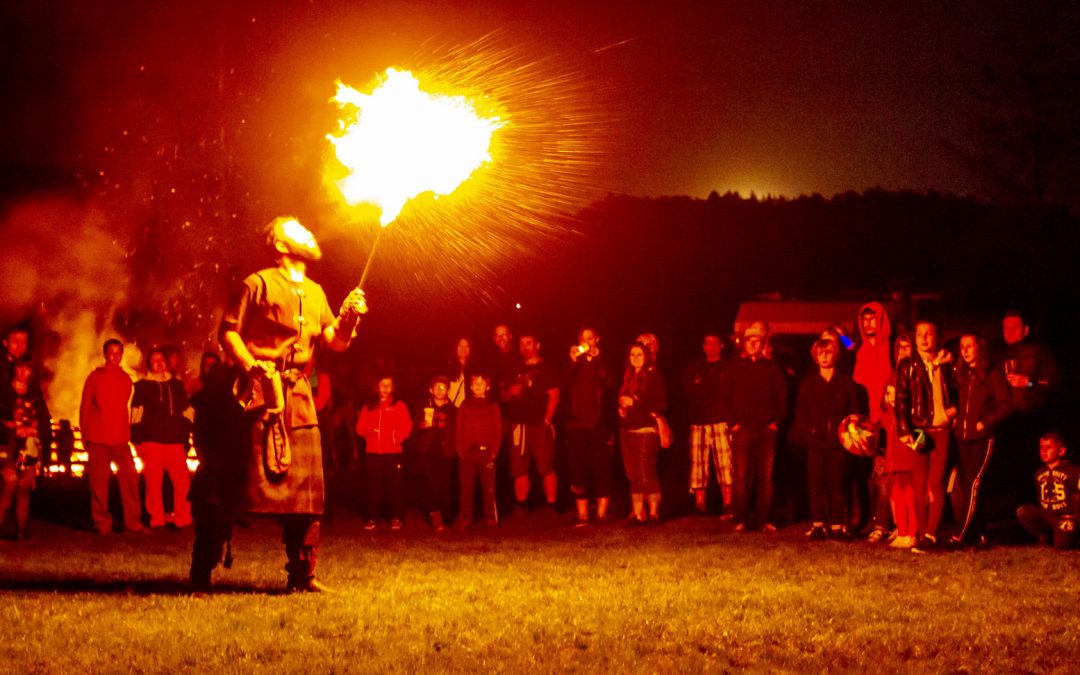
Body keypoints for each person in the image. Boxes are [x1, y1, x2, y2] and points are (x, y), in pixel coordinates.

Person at [217, 216, 366, 593]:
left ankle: (303, 575)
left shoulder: (316, 292)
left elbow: (336, 341)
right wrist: (252, 368)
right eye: (296, 229)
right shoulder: (259, 284)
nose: (309, 232)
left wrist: (348, 318)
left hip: (299, 398)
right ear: (281, 246)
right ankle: (203, 566)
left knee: (309, 493)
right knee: (231, 488)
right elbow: (229, 331)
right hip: (257, 396)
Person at [792, 338, 862, 540]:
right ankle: (818, 524)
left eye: (828, 352)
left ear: (835, 355)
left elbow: (853, 413)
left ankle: (838, 525)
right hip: (815, 443)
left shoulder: (845, 383)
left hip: (838, 444)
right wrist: (810, 433)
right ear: (815, 357)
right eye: (820, 353)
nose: (824, 356)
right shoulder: (808, 384)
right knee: (816, 484)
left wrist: (848, 436)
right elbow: (801, 414)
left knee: (837, 483)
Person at [896, 320, 955, 550]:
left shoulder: (947, 363)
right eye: (919, 334)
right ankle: (920, 532)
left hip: (941, 429)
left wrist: (952, 412)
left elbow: (958, 390)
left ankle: (931, 533)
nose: (923, 338)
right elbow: (901, 400)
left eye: (928, 333)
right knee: (919, 483)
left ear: (936, 337)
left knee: (936, 481)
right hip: (920, 429)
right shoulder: (908, 365)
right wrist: (904, 430)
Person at [188, 351, 243, 593]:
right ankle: (200, 576)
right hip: (216, 474)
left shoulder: (211, 402)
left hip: (218, 471)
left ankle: (202, 573)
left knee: (214, 526)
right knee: (212, 525)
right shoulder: (219, 402)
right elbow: (203, 438)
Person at [725, 321, 788, 532]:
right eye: (749, 341)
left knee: (766, 478)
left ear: (763, 344)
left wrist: (776, 422)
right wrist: (733, 423)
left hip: (766, 431)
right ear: (744, 343)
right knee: (741, 477)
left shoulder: (772, 368)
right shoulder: (735, 367)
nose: (753, 344)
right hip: (742, 430)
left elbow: (782, 396)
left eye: (757, 341)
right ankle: (741, 518)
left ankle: (764, 519)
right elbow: (726, 396)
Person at [949, 332, 1011, 546]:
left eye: (969, 346)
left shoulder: (992, 374)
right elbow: (959, 401)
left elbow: (1005, 405)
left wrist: (985, 422)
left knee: (973, 483)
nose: (965, 350)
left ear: (979, 348)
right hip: (962, 438)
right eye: (962, 346)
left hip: (982, 437)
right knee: (970, 487)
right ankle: (980, 534)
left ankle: (960, 535)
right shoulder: (962, 374)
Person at [80, 339, 144, 535]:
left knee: (130, 479)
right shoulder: (94, 377)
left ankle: (133, 522)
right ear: (105, 354)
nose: (115, 356)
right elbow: (85, 407)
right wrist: (85, 435)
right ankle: (102, 524)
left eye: (118, 352)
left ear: (122, 355)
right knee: (99, 484)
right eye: (111, 352)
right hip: (98, 438)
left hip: (120, 439)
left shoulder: (126, 380)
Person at [131, 348, 193, 529]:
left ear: (166, 363)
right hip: (152, 442)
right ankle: (156, 518)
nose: (159, 363)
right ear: (149, 365)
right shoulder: (142, 386)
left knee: (182, 482)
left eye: (161, 360)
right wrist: (137, 440)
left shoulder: (177, 385)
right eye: (155, 361)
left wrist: (185, 435)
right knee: (153, 483)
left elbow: (187, 412)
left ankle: (182, 517)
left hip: (174, 441)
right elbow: (136, 413)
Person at [502, 331, 560, 515]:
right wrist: (511, 392)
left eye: (529, 343)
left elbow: (554, 396)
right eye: (522, 343)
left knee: (546, 467)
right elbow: (503, 396)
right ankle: (521, 505)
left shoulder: (547, 368)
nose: (525, 347)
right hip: (519, 426)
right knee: (519, 469)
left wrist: (546, 421)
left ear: (537, 345)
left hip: (539, 425)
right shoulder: (514, 368)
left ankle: (551, 506)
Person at [564, 326, 614, 526]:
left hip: (598, 424)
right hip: (576, 425)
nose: (587, 342)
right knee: (579, 470)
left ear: (597, 339)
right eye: (584, 338)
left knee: (601, 469)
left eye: (591, 338)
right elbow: (563, 383)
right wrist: (573, 361)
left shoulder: (603, 360)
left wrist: (599, 360)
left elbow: (611, 383)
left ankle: (602, 514)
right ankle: (583, 515)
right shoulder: (573, 361)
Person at [852, 302, 893, 540]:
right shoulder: (861, 350)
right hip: (866, 421)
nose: (868, 323)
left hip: (886, 419)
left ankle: (883, 524)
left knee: (884, 473)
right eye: (865, 319)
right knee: (869, 475)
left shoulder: (890, 348)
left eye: (873, 319)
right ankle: (871, 519)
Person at [0, 358, 52, 539]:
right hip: (8, 446)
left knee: (24, 487)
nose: (23, 373)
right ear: (14, 370)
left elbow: (45, 424)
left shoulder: (35, 396)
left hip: (30, 448)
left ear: (31, 373)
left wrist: (33, 430)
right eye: (20, 369)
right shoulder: (4, 394)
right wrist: (11, 426)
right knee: (10, 483)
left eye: (27, 370)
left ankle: (22, 532)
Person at [684, 333, 733, 517]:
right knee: (698, 463)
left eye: (715, 343)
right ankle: (700, 505)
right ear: (703, 346)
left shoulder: (728, 367)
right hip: (699, 421)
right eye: (707, 343)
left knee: (725, 463)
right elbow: (689, 389)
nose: (711, 347)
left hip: (721, 420)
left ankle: (728, 503)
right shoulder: (695, 368)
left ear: (721, 346)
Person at [618, 342, 667, 524]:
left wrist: (635, 404)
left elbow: (660, 403)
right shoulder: (629, 377)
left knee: (647, 472)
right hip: (628, 430)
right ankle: (638, 513)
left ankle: (654, 513)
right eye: (632, 355)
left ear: (646, 356)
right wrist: (623, 409)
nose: (636, 358)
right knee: (634, 474)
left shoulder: (653, 376)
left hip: (646, 430)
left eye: (639, 354)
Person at [357, 376, 413, 530]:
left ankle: (395, 518)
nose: (386, 388)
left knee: (395, 486)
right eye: (382, 385)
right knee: (373, 486)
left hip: (393, 452)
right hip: (373, 452)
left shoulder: (399, 406)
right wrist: (370, 432)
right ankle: (372, 518)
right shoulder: (369, 406)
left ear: (393, 387)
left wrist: (397, 438)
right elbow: (360, 427)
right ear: (376, 387)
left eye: (389, 385)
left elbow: (407, 425)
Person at [1016, 432, 1079, 550]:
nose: (1044, 451)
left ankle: (1070, 534)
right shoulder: (1039, 473)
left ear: (1061, 451)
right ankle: (1045, 535)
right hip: (1049, 515)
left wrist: (1074, 516)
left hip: (1066, 517)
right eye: (1041, 448)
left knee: (1062, 545)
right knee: (1023, 511)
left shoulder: (1074, 472)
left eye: (1048, 447)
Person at [412, 375, 457, 531]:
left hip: (446, 452)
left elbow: (457, 432)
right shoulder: (423, 407)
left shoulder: (453, 410)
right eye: (437, 387)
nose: (440, 390)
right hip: (428, 452)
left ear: (448, 391)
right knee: (431, 485)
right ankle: (435, 515)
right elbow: (413, 429)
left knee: (445, 484)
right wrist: (421, 426)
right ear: (431, 390)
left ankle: (446, 515)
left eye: (443, 387)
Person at [457, 373, 502, 528]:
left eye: (481, 384)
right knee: (466, 488)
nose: (478, 386)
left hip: (486, 453)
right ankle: (465, 518)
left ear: (487, 387)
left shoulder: (492, 405)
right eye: (475, 383)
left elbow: (498, 430)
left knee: (488, 488)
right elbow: (459, 429)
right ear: (470, 387)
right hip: (468, 453)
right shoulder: (465, 405)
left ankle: (490, 517)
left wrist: (494, 451)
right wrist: (460, 450)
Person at [880, 380, 919, 549]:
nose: (892, 397)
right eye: (889, 394)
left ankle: (912, 533)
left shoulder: (909, 415)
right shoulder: (885, 417)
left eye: (895, 393)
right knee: (898, 499)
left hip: (908, 464)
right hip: (893, 466)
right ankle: (902, 532)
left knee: (911, 500)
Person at [447, 337, 475, 408]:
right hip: (451, 408)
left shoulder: (475, 368)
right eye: (460, 346)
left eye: (467, 346)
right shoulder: (447, 367)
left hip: (468, 408)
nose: (464, 348)